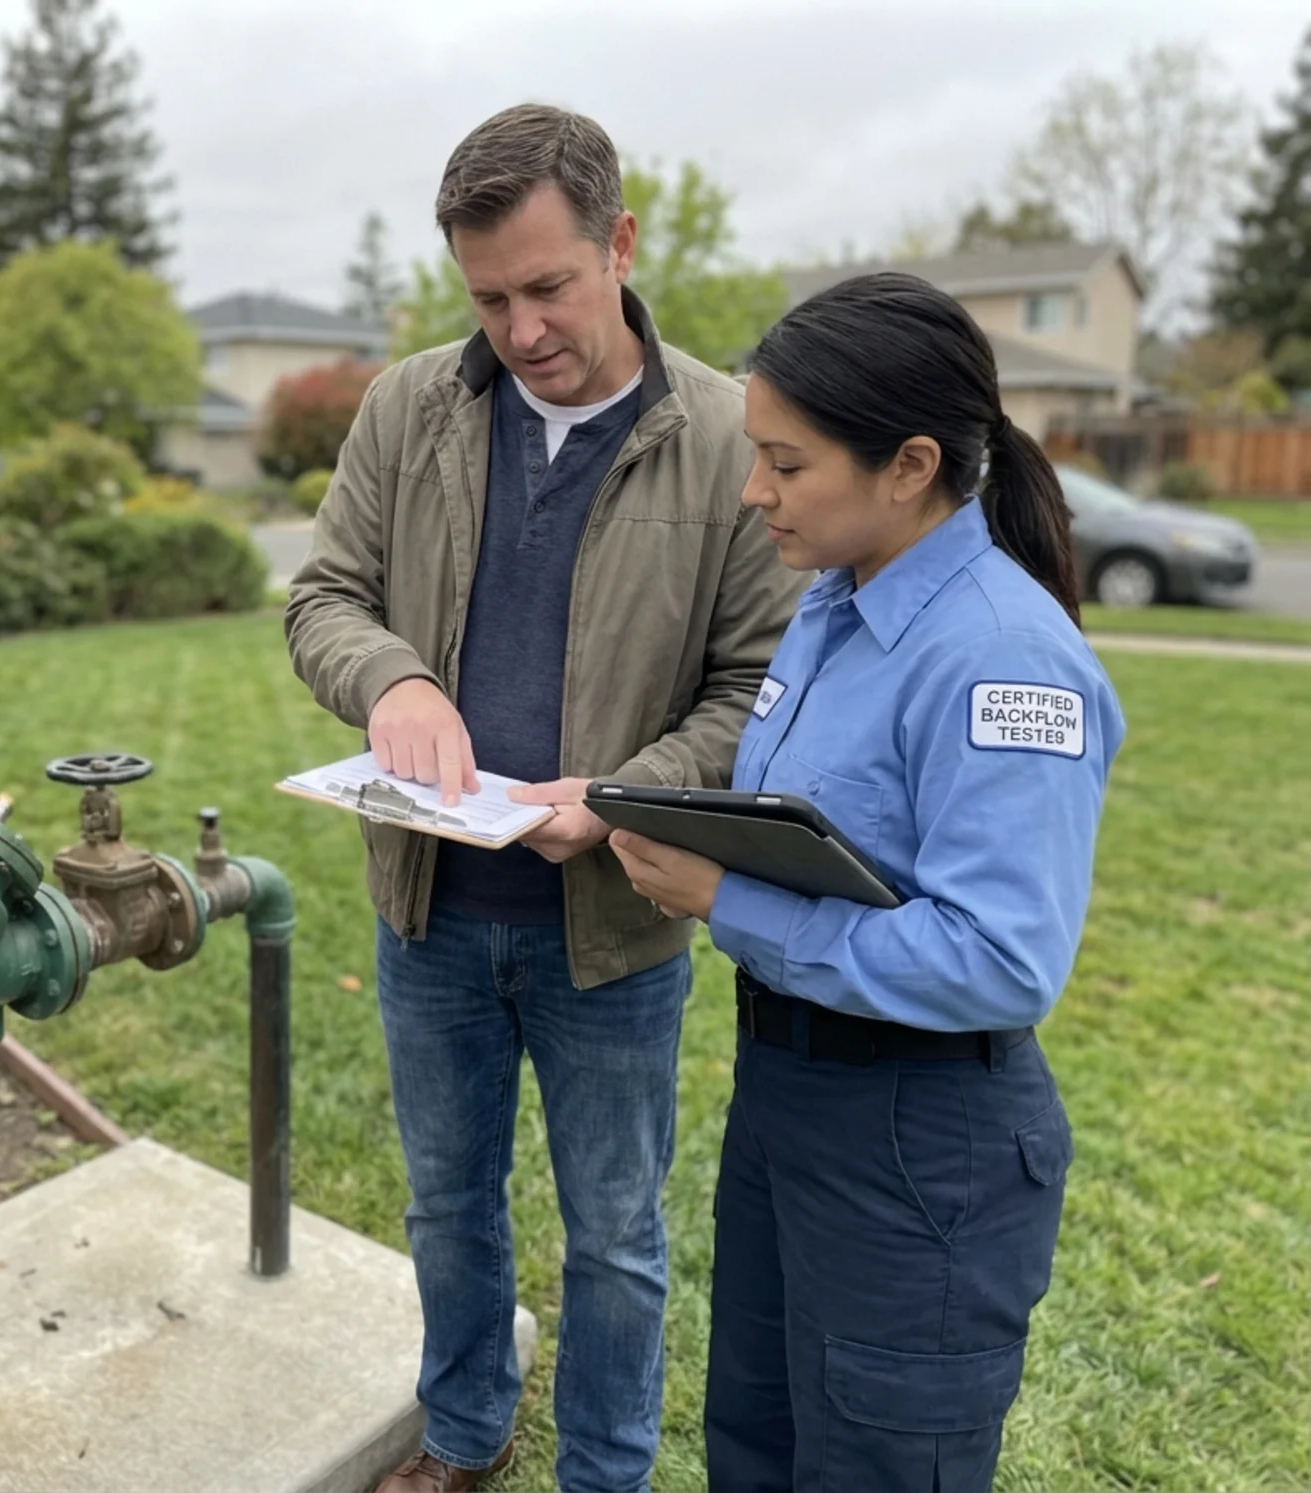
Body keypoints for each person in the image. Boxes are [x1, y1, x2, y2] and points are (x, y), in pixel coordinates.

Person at [284, 104, 802, 1493]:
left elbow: (761, 689)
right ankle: (464, 1433)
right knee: (448, 1207)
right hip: (431, 912)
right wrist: (389, 678)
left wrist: (631, 796)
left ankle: (606, 1473)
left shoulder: (724, 434)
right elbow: (324, 596)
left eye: (549, 286)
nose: (520, 329)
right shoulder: (408, 409)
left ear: (620, 244)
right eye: (489, 297)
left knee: (617, 1236)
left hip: (611, 934)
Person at [607, 272, 1124, 1493]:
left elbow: (1000, 959)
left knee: (876, 1463)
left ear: (907, 464)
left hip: (918, 1138)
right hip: (791, 1097)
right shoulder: (833, 603)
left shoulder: (1003, 660)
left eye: (785, 464)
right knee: (756, 1437)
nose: (753, 492)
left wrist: (725, 901)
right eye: (754, 456)